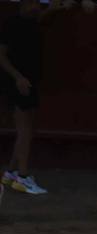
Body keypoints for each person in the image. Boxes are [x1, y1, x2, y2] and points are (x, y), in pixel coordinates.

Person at [0, 0, 45, 196]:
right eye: (31, 3)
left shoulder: (32, 22)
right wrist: (18, 77)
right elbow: (0, 55)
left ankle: (10, 173)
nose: (35, 7)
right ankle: (23, 176)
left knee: (27, 128)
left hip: (27, 80)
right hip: (19, 81)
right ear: (22, 5)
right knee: (24, 129)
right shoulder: (12, 23)